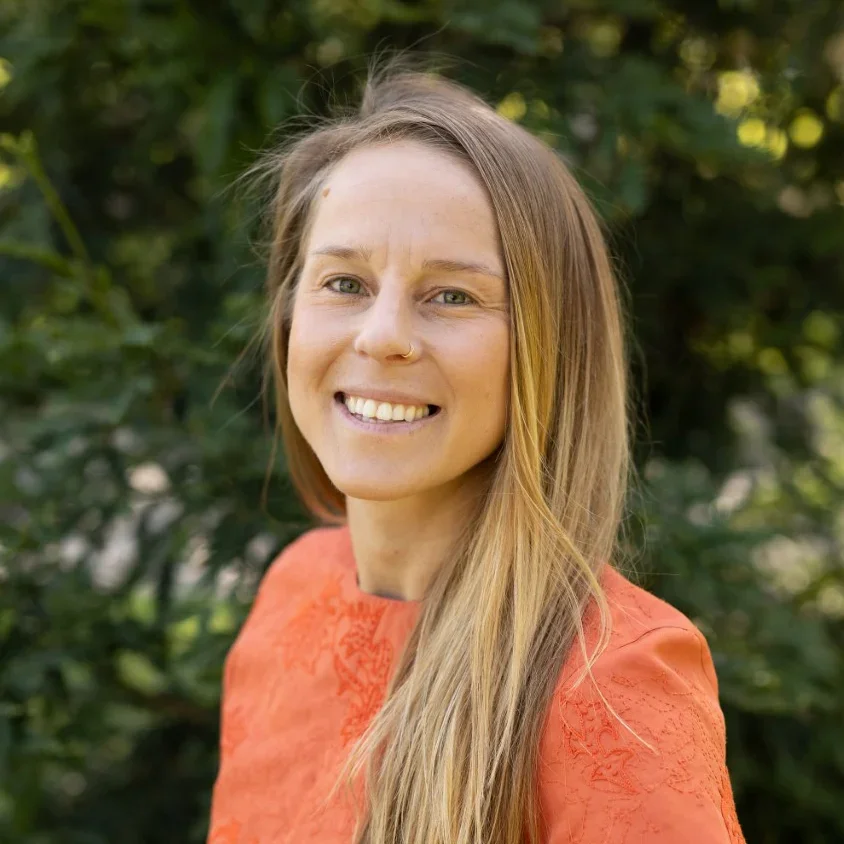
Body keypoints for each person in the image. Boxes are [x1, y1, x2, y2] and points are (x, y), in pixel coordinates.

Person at [206, 63, 747, 844]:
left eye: (451, 295)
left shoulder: (611, 683)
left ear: (547, 349)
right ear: (290, 317)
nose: (382, 334)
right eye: (345, 282)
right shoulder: (291, 597)